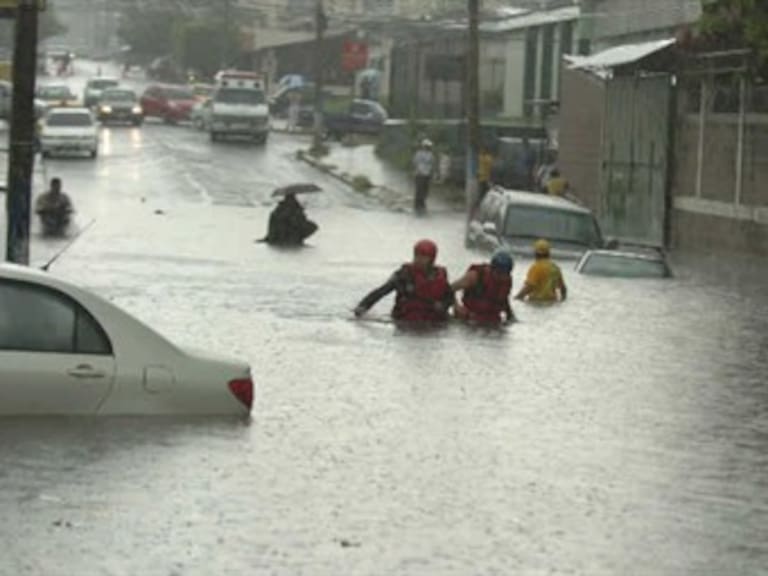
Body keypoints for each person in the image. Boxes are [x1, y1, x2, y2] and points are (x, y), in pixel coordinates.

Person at [354, 239, 454, 323]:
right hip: (405, 320)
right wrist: (363, 306)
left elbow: (449, 297)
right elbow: (382, 291)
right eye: (417, 255)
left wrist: (444, 305)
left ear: (432, 259)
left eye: (423, 257)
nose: (419, 259)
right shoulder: (403, 275)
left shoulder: (440, 275)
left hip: (433, 321)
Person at [453, 250, 516, 325]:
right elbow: (449, 290)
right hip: (469, 319)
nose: (502, 277)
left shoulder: (506, 281)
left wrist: (511, 316)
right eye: (499, 273)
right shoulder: (475, 276)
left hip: (492, 321)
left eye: (506, 273)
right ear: (492, 269)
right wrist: (456, 306)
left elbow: (503, 299)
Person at [412, 139, 435, 214]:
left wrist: (431, 173)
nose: (427, 147)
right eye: (426, 146)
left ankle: (422, 204)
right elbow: (415, 163)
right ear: (423, 146)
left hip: (427, 174)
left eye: (428, 146)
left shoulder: (431, 155)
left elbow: (432, 164)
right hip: (419, 174)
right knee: (419, 190)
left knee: (425, 191)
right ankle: (417, 206)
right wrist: (419, 170)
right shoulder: (418, 154)